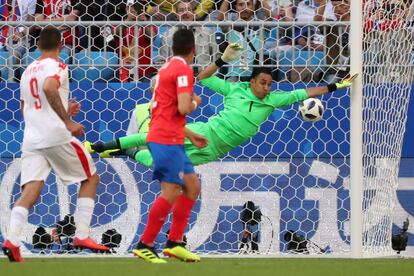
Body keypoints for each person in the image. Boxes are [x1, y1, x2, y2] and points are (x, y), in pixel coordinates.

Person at [85, 44, 357, 171]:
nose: (267, 88)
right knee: (156, 135)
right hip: (207, 131)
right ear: (252, 81)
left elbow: (303, 92)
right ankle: (99, 146)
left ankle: (129, 152)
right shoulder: (234, 88)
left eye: (270, 84)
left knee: (164, 167)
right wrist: (222, 59)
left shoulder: (274, 100)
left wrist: (336, 86)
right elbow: (203, 77)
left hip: (215, 150)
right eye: (263, 83)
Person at [1, 26, 109, 263]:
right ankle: (81, 235)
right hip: (55, 134)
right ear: (61, 46)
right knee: (90, 178)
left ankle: (12, 240)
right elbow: (50, 87)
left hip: (31, 137)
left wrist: (61, 108)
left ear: (37, 46)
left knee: (30, 190)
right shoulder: (58, 66)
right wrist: (67, 120)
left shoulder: (28, 70)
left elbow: (25, 107)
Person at [131, 28, 208, 264]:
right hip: (165, 138)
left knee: (192, 186)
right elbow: (185, 107)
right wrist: (196, 102)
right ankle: (145, 244)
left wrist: (191, 134)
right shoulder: (183, 69)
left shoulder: (165, 69)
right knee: (172, 191)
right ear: (194, 50)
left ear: (173, 48)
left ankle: (174, 243)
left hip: (170, 135)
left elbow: (167, 110)